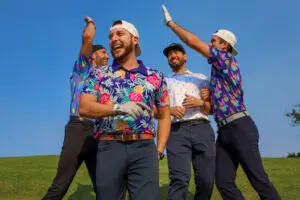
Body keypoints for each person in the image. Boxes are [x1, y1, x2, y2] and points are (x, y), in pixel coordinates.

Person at [161, 5, 281, 200]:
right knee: (224, 182)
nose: (210, 43)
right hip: (224, 130)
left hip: (240, 126)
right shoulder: (215, 73)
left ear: (224, 46)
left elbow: (192, 41)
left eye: (213, 41)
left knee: (258, 179)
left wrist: (170, 23)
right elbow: (211, 108)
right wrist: (203, 101)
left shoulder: (224, 59)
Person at [79, 19, 171, 200]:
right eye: (111, 36)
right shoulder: (98, 74)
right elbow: (84, 107)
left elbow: (165, 116)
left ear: (134, 39)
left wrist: (159, 150)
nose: (113, 39)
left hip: (144, 148)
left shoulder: (155, 76)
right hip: (109, 147)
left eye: (119, 34)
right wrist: (118, 108)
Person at [42, 16, 109, 200]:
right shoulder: (82, 69)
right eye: (104, 52)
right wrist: (92, 24)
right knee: (60, 185)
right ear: (93, 55)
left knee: (105, 189)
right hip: (78, 129)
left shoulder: (104, 81)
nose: (108, 56)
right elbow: (87, 39)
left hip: (98, 134)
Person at [162, 43, 215, 200]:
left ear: (185, 56)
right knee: (179, 179)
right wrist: (170, 110)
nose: (173, 56)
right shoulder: (164, 82)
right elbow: (155, 109)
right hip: (176, 131)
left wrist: (201, 103)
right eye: (169, 55)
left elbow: (212, 109)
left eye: (177, 52)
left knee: (206, 180)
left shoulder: (201, 79)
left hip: (202, 129)